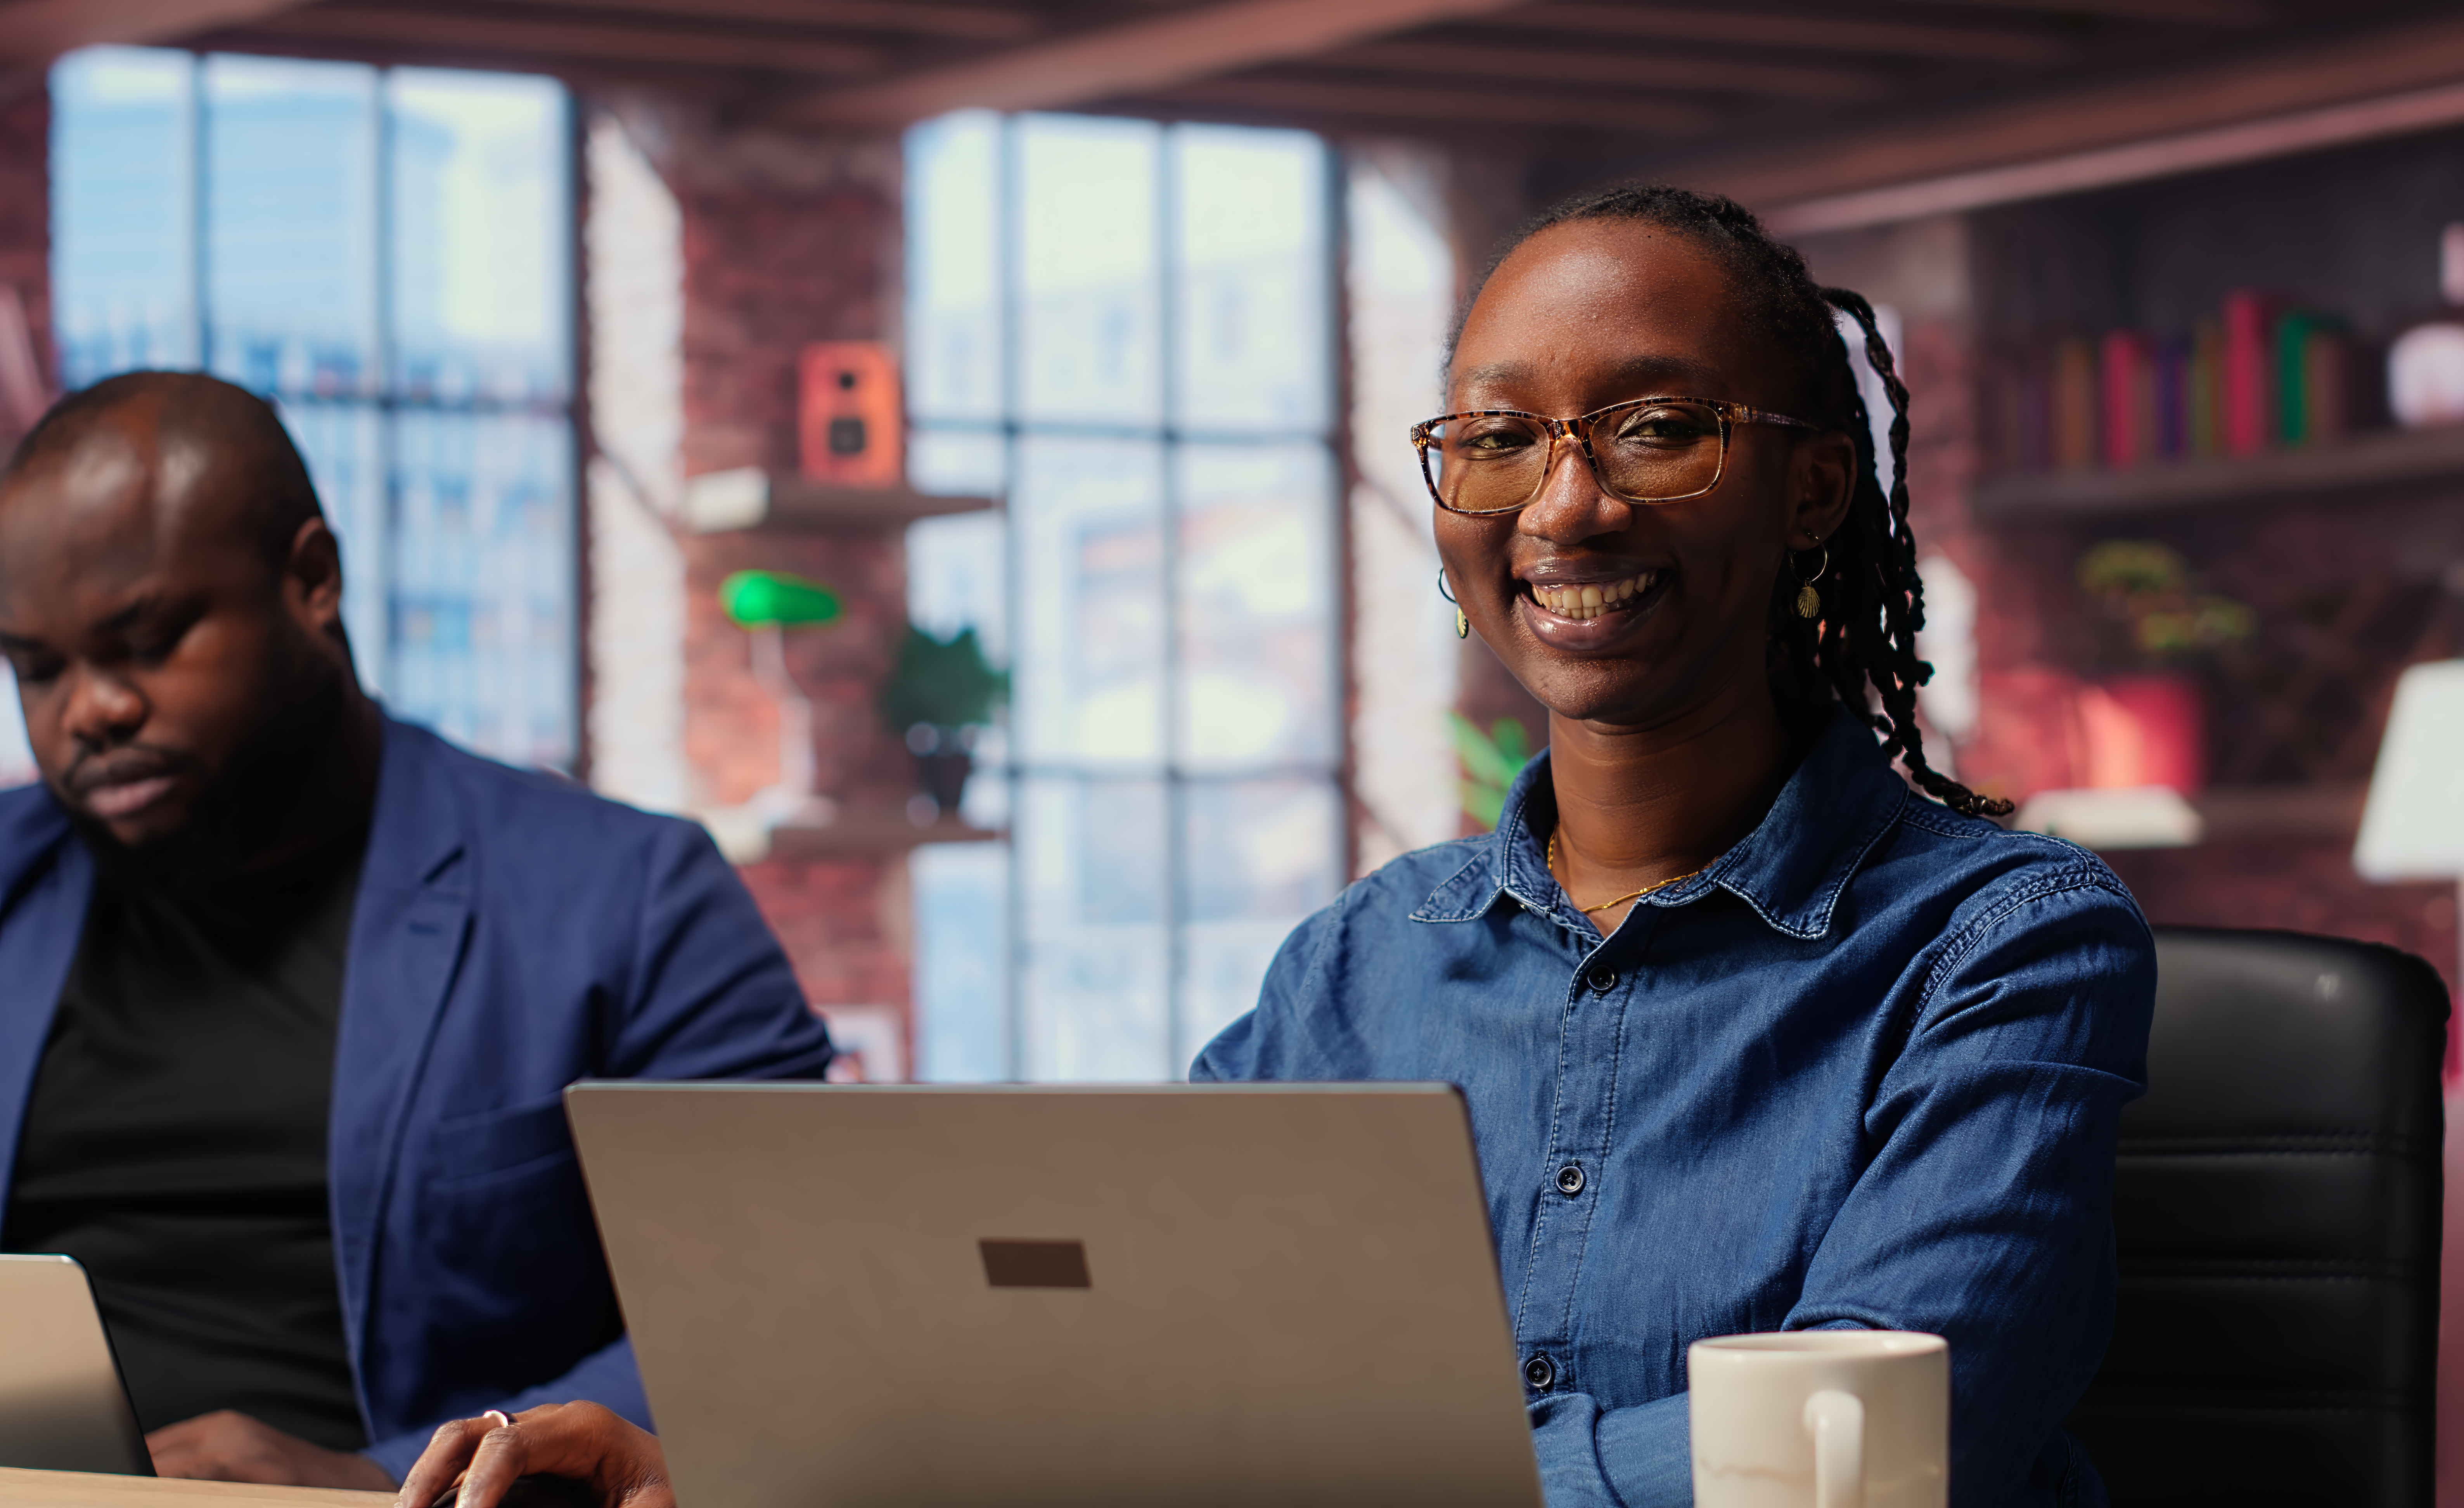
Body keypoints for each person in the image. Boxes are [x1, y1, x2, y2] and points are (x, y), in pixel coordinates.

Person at [400, 186, 2154, 1508]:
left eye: (1653, 425)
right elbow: (1116, 1356)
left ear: (1814, 491)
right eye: (1498, 438)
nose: (1566, 504)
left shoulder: (2009, 943)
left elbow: (1861, 1448)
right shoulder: (1363, 965)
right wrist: (718, 1467)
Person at [0, 373, 836, 1488]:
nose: (89, 711)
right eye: (38, 669)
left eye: (147, 640)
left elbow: (783, 1309)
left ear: (311, 581)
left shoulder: (631, 901)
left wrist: (377, 1480)